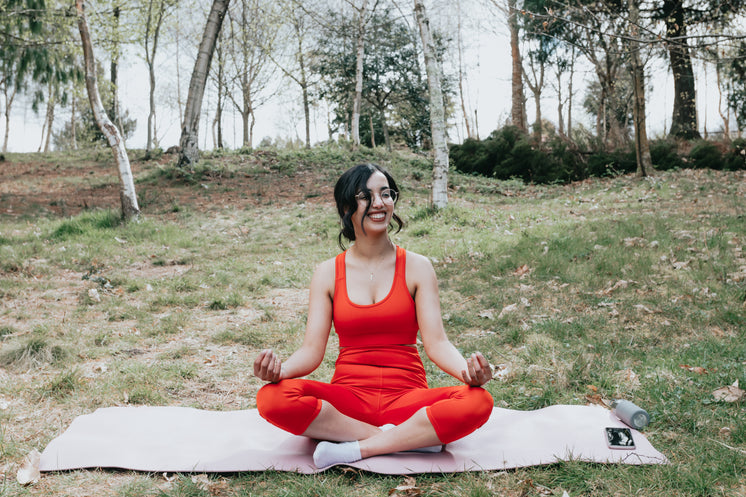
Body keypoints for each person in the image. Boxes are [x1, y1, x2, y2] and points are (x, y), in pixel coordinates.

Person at [254, 163, 494, 469]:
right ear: (345, 207)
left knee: (478, 401)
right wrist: (280, 372)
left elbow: (437, 344)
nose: (379, 203)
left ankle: (355, 449)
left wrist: (467, 373)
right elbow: (311, 352)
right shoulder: (328, 272)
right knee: (271, 398)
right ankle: (408, 441)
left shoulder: (418, 266)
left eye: (386, 194)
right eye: (365, 196)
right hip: (349, 401)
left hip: (407, 397)